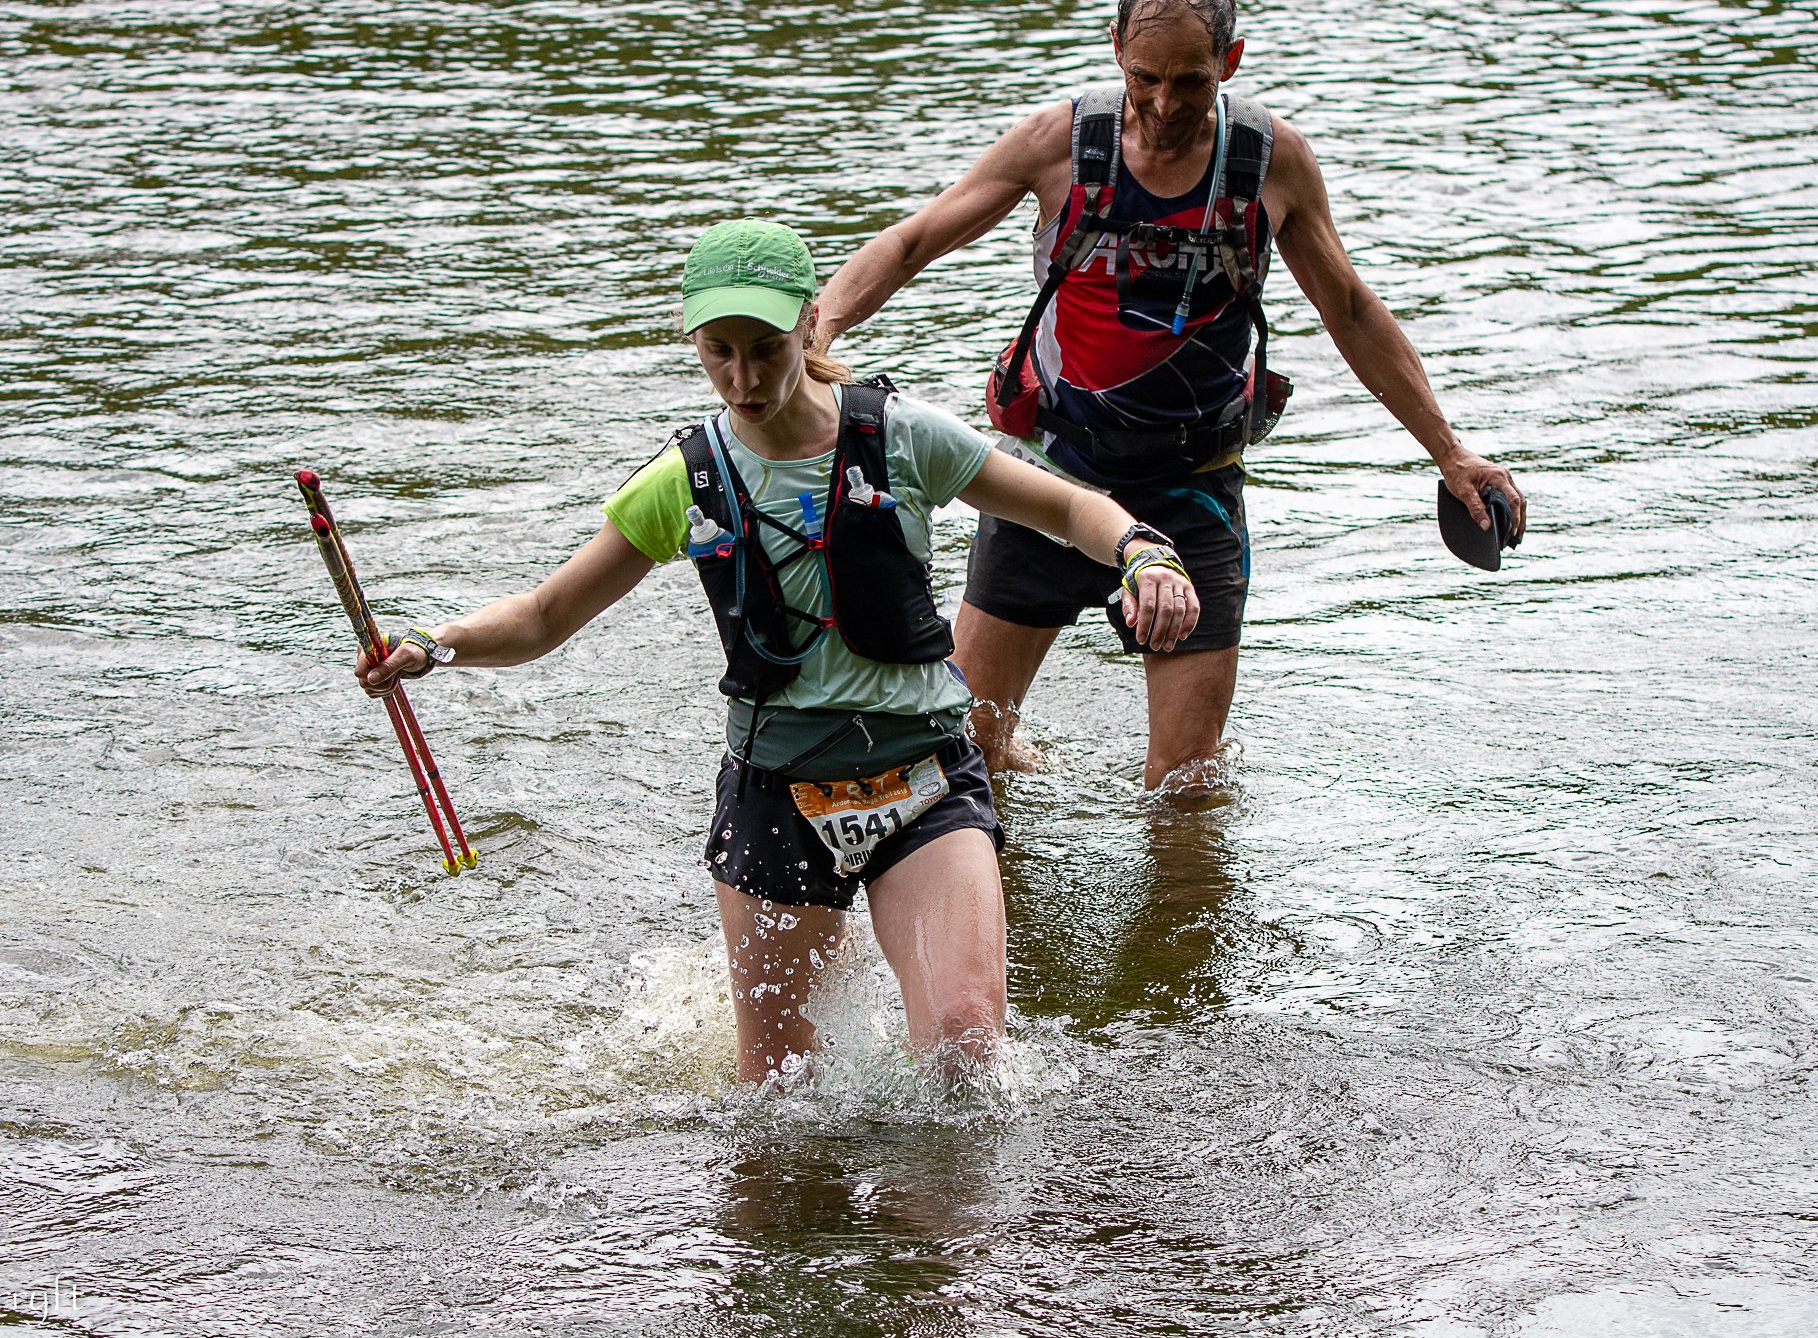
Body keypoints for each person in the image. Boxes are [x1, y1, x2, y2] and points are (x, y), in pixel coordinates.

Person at [356, 220, 1201, 1084]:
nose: (744, 377)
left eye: (764, 347)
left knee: (967, 1057)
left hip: (924, 777)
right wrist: (432, 644)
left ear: (809, 322)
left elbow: (1064, 508)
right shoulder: (685, 481)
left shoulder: (901, 436)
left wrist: (1142, 549)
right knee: (778, 1094)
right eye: (717, 352)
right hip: (777, 794)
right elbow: (542, 616)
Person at [813, 0, 1527, 791]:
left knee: (1186, 786)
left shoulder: (1269, 162)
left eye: (1189, 80)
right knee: (968, 751)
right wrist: (819, 331)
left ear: (1230, 61)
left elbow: (1352, 310)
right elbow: (911, 243)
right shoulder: (1061, 144)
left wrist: (1449, 450)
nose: (1161, 104)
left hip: (1194, 490)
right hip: (1051, 477)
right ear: (1117, 51)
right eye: (1143, 79)